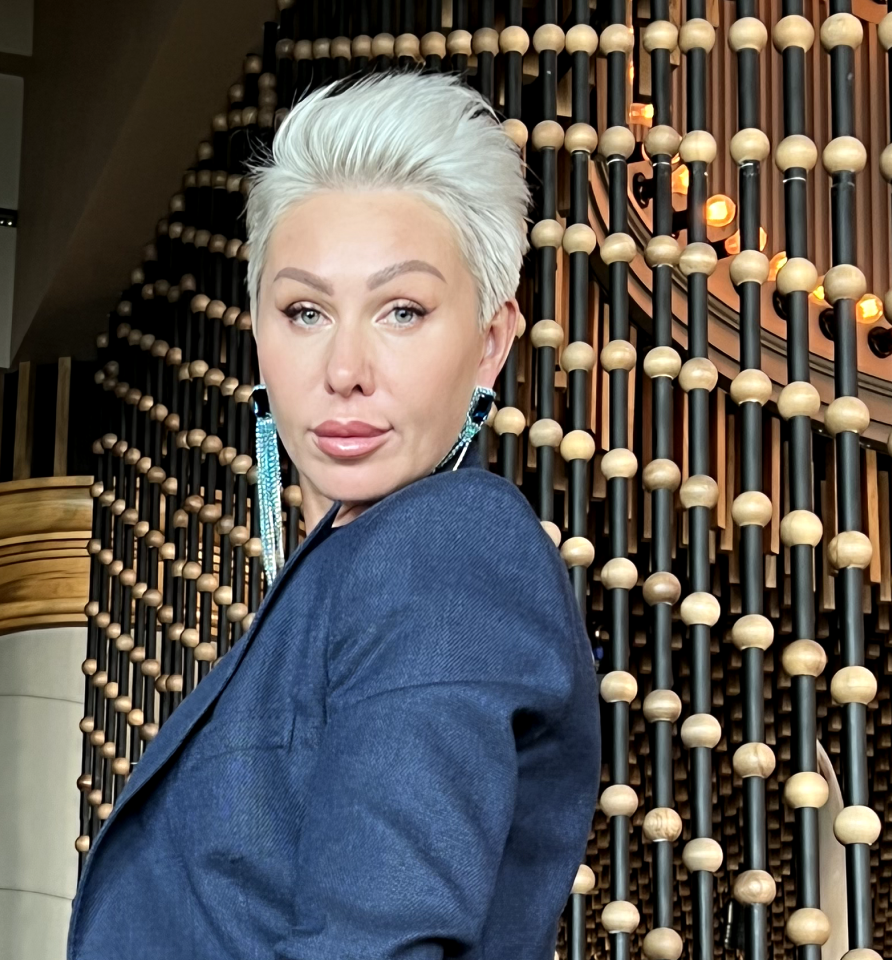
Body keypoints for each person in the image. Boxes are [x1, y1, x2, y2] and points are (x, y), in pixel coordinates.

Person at [68, 67, 600, 960]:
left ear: (491, 342)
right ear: (259, 334)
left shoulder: (444, 546)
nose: (345, 369)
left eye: (402, 310)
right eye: (306, 311)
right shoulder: (341, 579)